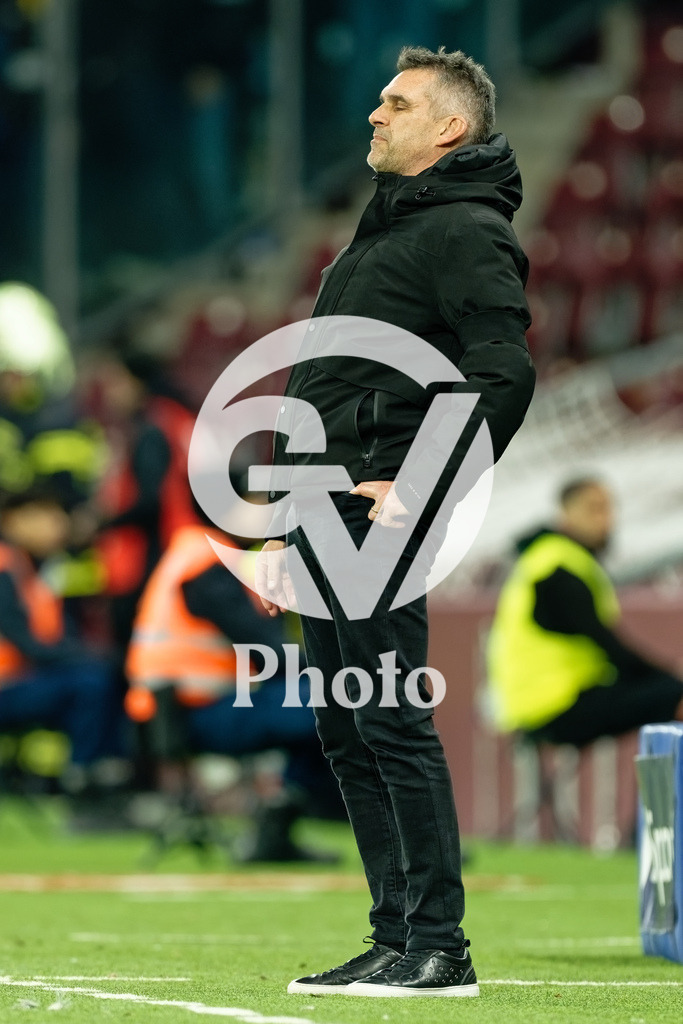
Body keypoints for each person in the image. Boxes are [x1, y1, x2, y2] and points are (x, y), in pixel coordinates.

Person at [259, 47, 535, 997]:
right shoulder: (381, 235)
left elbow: (503, 373)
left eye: (397, 102)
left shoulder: (461, 229)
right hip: (324, 514)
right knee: (344, 724)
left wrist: (419, 483)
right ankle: (394, 937)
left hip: (379, 513)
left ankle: (438, 947)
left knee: (387, 716)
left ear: (448, 128)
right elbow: (328, 388)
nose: (374, 115)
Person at [125, 516, 344, 861]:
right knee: (333, 700)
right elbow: (267, 651)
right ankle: (298, 817)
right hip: (197, 714)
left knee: (321, 702)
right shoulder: (207, 567)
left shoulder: (191, 553)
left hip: (177, 711)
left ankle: (280, 822)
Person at [488, 477, 683, 745]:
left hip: (543, 700)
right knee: (673, 695)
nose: (605, 519)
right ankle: (657, 786)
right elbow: (607, 643)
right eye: (593, 509)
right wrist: (667, 676)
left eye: (608, 508)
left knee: (660, 695)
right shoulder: (559, 567)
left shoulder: (548, 558)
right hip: (554, 703)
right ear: (565, 514)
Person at [0, 488, 125, 804]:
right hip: (8, 684)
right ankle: (83, 781)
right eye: (46, 515)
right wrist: (98, 656)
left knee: (103, 676)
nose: (57, 524)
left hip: (22, 681)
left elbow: (57, 639)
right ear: (14, 520)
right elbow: (29, 645)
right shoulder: (4, 566)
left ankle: (108, 773)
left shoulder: (32, 567)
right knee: (91, 683)